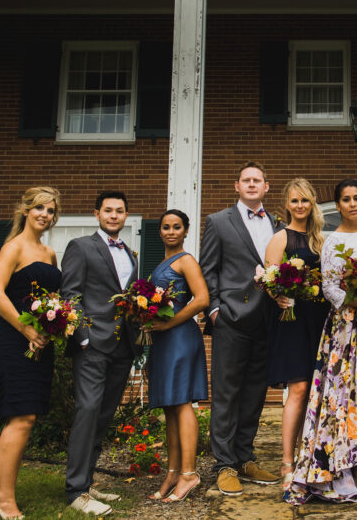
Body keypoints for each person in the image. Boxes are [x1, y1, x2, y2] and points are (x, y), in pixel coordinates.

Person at [286, 179, 357, 504]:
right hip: (349, 329)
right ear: (337, 205)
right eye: (346, 199)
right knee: (353, 398)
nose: (352, 204)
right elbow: (331, 289)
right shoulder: (331, 240)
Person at [199, 162, 283, 495]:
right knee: (226, 392)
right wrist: (215, 309)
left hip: (267, 320)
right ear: (237, 186)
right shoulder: (218, 222)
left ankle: (244, 457)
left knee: (254, 392)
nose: (251, 185)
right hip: (231, 319)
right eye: (246, 180)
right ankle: (224, 464)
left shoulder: (277, 223)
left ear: (266, 186)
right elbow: (209, 268)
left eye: (257, 180)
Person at [0, 186, 62, 519]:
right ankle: (3, 497)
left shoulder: (49, 253)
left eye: (51, 211)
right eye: (40, 209)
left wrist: (52, 327)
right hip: (14, 339)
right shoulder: (13, 248)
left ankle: (3, 490)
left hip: (40, 343)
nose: (45, 215)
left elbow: (53, 302)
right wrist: (26, 329)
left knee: (28, 418)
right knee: (20, 416)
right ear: (26, 211)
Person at [63, 191, 141, 516]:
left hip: (123, 348)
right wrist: (83, 337)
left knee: (104, 414)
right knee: (88, 410)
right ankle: (75, 491)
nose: (113, 215)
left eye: (119, 211)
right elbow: (70, 293)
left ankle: (87, 481)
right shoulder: (80, 247)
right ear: (97, 214)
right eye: (108, 210)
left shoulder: (132, 255)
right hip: (92, 344)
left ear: (125, 216)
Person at [263, 178, 330, 491]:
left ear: (311, 203)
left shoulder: (320, 240)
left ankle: (309, 456)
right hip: (292, 321)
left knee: (316, 391)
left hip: (318, 320)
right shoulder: (281, 238)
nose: (300, 206)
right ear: (286, 204)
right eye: (294, 201)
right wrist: (278, 293)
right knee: (299, 388)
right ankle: (287, 461)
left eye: (305, 201)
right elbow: (269, 278)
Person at [147, 209, 209, 503]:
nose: (171, 231)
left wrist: (170, 322)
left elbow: (202, 299)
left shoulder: (186, 260)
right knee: (170, 406)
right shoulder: (162, 262)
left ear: (185, 231)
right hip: (162, 340)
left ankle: (189, 473)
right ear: (160, 231)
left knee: (182, 403)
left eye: (177, 227)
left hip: (181, 337)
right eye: (166, 227)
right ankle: (173, 471)